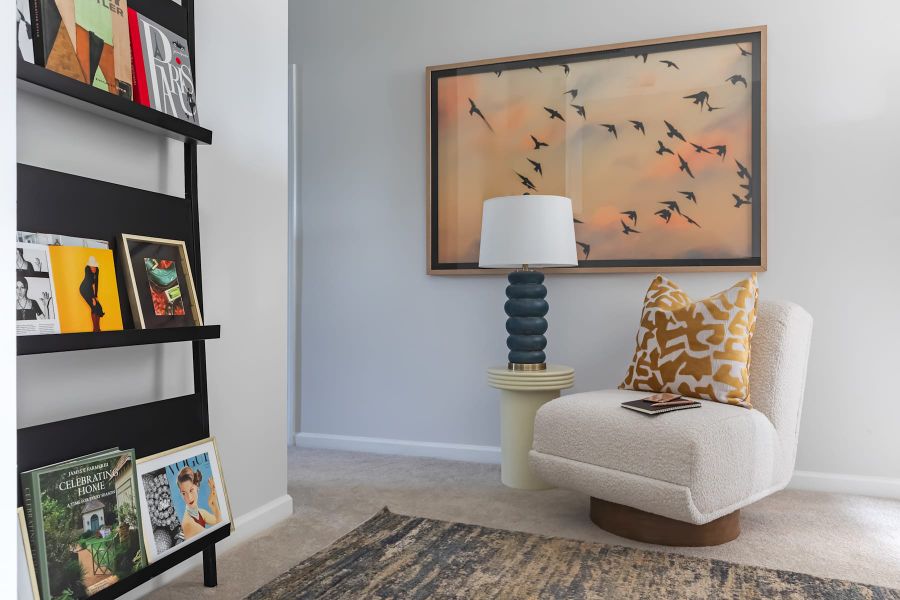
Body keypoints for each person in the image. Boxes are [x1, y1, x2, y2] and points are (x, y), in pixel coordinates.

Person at [177, 466, 221, 540]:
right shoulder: (188, 523)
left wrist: (213, 503)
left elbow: (219, 521)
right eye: (184, 493)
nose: (189, 498)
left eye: (191, 490)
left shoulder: (199, 512)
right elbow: (218, 534)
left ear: (197, 487)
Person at [79, 256, 104, 332]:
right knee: (94, 307)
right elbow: (89, 284)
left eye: (94, 267)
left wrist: (96, 295)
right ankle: (96, 329)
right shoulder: (87, 270)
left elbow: (96, 283)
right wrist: (93, 298)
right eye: (91, 267)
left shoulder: (97, 270)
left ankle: (97, 328)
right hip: (84, 289)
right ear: (89, 266)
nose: (93, 268)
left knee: (98, 308)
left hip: (90, 291)